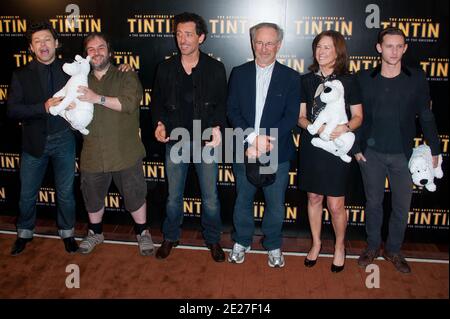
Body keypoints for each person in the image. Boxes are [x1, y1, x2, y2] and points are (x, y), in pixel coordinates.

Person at [355, 27, 441, 274]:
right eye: (388, 45)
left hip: (404, 155)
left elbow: (425, 114)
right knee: (373, 204)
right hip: (371, 154)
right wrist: (357, 147)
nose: (393, 51)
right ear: (379, 48)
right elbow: (357, 116)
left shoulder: (416, 77)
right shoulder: (364, 78)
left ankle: (393, 250)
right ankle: (372, 247)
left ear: (405, 48)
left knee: (402, 207)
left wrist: (435, 147)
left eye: (398, 46)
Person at [151, 12, 227, 262]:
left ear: (201, 37)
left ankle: (213, 240)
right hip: (176, 142)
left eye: (188, 34)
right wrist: (159, 123)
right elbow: (157, 104)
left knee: (211, 198)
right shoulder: (165, 68)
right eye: (178, 34)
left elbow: (222, 105)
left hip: (206, 142)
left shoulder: (215, 68)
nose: (182, 40)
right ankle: (171, 236)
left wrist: (217, 126)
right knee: (174, 196)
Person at [227, 22, 301, 268]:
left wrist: (265, 141)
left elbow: (291, 117)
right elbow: (232, 111)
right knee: (242, 200)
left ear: (278, 45)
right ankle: (242, 241)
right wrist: (251, 139)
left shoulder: (291, 77)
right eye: (259, 42)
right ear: (252, 43)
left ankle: (273, 245)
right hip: (245, 148)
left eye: (270, 43)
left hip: (276, 151)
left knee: (276, 205)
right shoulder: (239, 72)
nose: (264, 47)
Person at [76, 32, 154, 256]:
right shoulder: (81, 80)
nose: (97, 53)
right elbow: (74, 117)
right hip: (92, 152)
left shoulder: (125, 75)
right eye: (91, 49)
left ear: (109, 51)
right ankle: (95, 232)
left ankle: (143, 232)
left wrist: (96, 98)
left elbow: (129, 104)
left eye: (101, 47)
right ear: (86, 55)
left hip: (124, 151)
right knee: (91, 195)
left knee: (135, 194)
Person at [7, 22, 79, 255]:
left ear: (56, 43)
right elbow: (13, 111)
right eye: (37, 41)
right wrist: (43, 107)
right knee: (27, 193)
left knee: (66, 192)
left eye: (47, 40)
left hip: (64, 140)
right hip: (33, 142)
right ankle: (24, 233)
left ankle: (67, 232)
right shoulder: (20, 75)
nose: (43, 45)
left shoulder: (71, 71)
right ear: (31, 47)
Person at [297, 30, 363, 272]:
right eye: (318, 47)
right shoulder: (306, 81)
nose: (321, 51)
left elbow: (358, 117)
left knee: (335, 204)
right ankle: (315, 244)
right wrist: (316, 128)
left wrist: (342, 128)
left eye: (327, 47)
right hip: (313, 145)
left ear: (338, 52)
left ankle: (339, 246)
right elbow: (301, 117)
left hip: (337, 146)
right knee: (313, 198)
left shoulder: (349, 81)